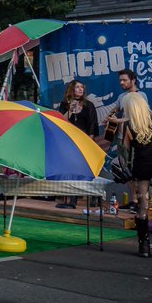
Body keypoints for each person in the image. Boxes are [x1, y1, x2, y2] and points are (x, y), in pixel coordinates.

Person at [122, 94, 152, 259]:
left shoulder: (129, 126)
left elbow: (125, 148)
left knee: (142, 207)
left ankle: (144, 246)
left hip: (141, 168)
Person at [55, 79, 99, 209]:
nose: (80, 89)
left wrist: (89, 143)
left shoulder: (88, 105)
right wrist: (70, 110)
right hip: (69, 141)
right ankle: (70, 199)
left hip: (85, 141)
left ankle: (94, 197)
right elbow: (61, 121)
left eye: (82, 87)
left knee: (86, 170)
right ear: (71, 89)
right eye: (77, 87)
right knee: (70, 170)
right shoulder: (65, 104)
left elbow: (92, 124)